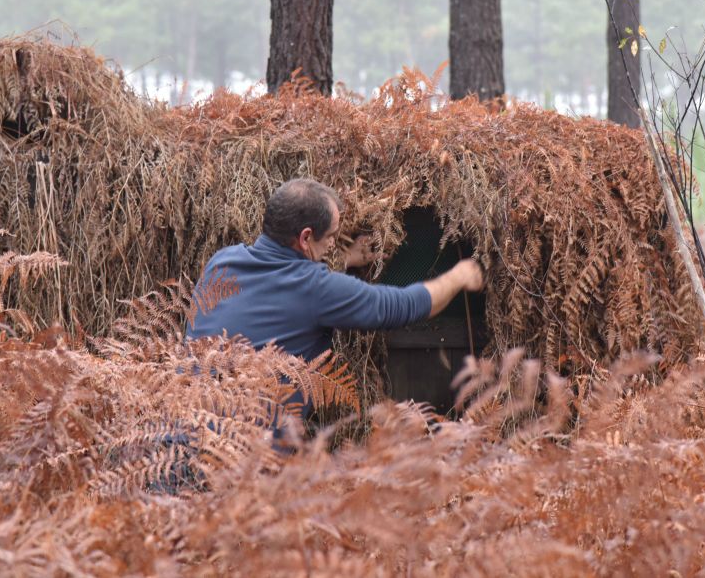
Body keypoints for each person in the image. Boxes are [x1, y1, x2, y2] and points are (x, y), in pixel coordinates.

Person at [186, 178, 484, 424]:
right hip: (242, 462)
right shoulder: (316, 289)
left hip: (177, 432)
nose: (332, 244)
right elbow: (402, 305)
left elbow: (284, 288)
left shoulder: (221, 262)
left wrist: (344, 259)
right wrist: (458, 275)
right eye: (330, 236)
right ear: (305, 238)